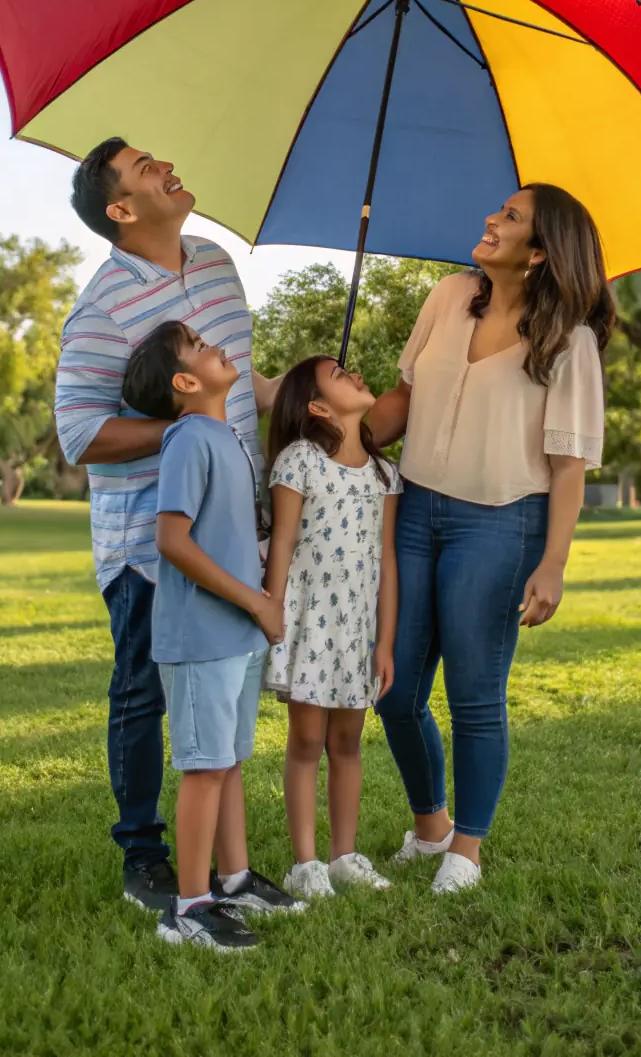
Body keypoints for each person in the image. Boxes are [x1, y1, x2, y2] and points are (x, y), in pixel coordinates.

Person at [54, 137, 280, 913]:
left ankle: (230, 868)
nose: (167, 166)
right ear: (121, 210)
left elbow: (239, 371)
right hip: (149, 540)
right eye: (145, 168)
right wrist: (195, 430)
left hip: (233, 532)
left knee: (225, 688)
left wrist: (302, 390)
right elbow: (80, 434)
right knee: (144, 692)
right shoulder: (101, 308)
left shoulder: (216, 261)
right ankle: (144, 854)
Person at [368, 183, 612, 894]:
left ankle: (466, 849)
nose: (489, 219)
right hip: (412, 511)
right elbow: (405, 399)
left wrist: (554, 564)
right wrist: (334, 432)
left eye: (509, 217)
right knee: (393, 688)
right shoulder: (447, 297)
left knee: (475, 694)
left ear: (539, 254)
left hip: (501, 522)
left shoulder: (570, 339)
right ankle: (431, 823)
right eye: (498, 209)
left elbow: (570, 464)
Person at [120, 321, 301, 950]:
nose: (216, 347)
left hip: (237, 635)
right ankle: (190, 908)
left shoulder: (223, 436)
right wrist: (254, 598)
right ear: (186, 381)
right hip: (201, 638)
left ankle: (235, 877)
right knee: (205, 767)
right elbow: (172, 540)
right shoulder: (188, 439)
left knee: (227, 762)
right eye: (200, 347)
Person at [263, 356, 401, 899]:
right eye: (340, 374)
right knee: (306, 741)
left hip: (357, 629)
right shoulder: (299, 462)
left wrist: (384, 641)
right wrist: (272, 605)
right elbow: (281, 540)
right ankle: (306, 864)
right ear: (317, 406)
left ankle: (344, 855)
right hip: (311, 625)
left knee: (347, 742)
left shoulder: (384, 473)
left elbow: (387, 559)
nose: (357, 374)